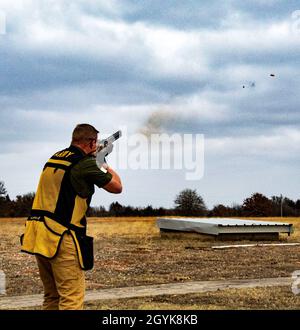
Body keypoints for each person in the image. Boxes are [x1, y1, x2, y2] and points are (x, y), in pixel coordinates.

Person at [21, 124, 122, 310]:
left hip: (39, 235)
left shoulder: (56, 157)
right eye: (96, 143)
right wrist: (102, 161)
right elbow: (117, 187)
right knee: (71, 300)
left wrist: (94, 157)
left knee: (52, 297)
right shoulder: (85, 164)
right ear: (92, 142)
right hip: (62, 237)